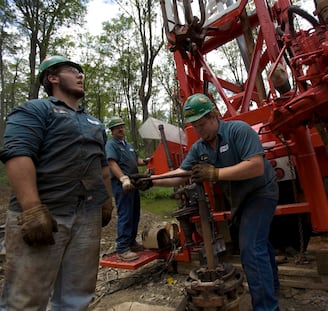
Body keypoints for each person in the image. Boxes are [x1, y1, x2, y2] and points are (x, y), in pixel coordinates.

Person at [137, 93, 280, 311]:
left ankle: (267, 307)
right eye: (195, 126)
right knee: (259, 242)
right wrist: (151, 180)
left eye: (202, 124)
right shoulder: (200, 148)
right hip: (240, 199)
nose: (199, 130)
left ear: (214, 116)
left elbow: (256, 166)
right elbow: (182, 174)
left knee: (251, 248)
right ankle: (273, 286)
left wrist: (215, 173)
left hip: (261, 192)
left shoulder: (238, 130)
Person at [0, 55, 114, 310]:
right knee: (25, 299)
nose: (80, 75)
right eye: (72, 70)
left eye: (80, 72)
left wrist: (107, 201)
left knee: (77, 297)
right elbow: (18, 154)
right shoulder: (34, 110)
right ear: (52, 77)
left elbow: (103, 167)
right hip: (45, 216)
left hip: (87, 216)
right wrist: (31, 208)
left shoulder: (94, 122)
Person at [105, 116, 151, 261]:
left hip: (134, 184)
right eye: (117, 127)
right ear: (112, 131)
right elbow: (112, 163)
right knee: (125, 214)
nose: (120, 129)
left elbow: (135, 160)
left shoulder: (128, 145)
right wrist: (123, 178)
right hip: (122, 185)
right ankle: (122, 248)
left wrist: (146, 161)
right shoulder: (111, 145)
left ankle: (131, 242)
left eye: (122, 126)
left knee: (135, 214)